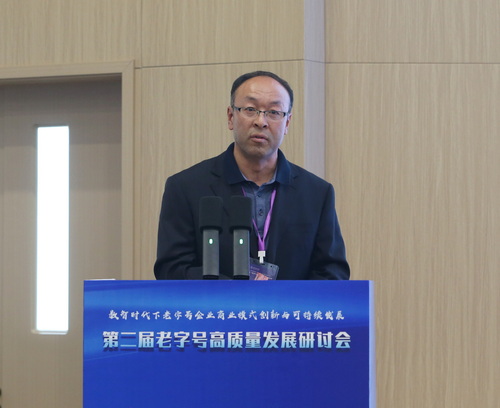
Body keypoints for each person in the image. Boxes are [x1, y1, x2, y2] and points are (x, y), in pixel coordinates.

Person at [154, 71, 350, 280]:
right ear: (231, 117)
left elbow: (332, 272)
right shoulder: (185, 187)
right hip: (218, 302)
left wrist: (286, 298)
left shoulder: (316, 193)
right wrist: (235, 293)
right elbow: (171, 269)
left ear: (287, 123)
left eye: (274, 112)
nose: (261, 121)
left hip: (288, 303)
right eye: (250, 109)